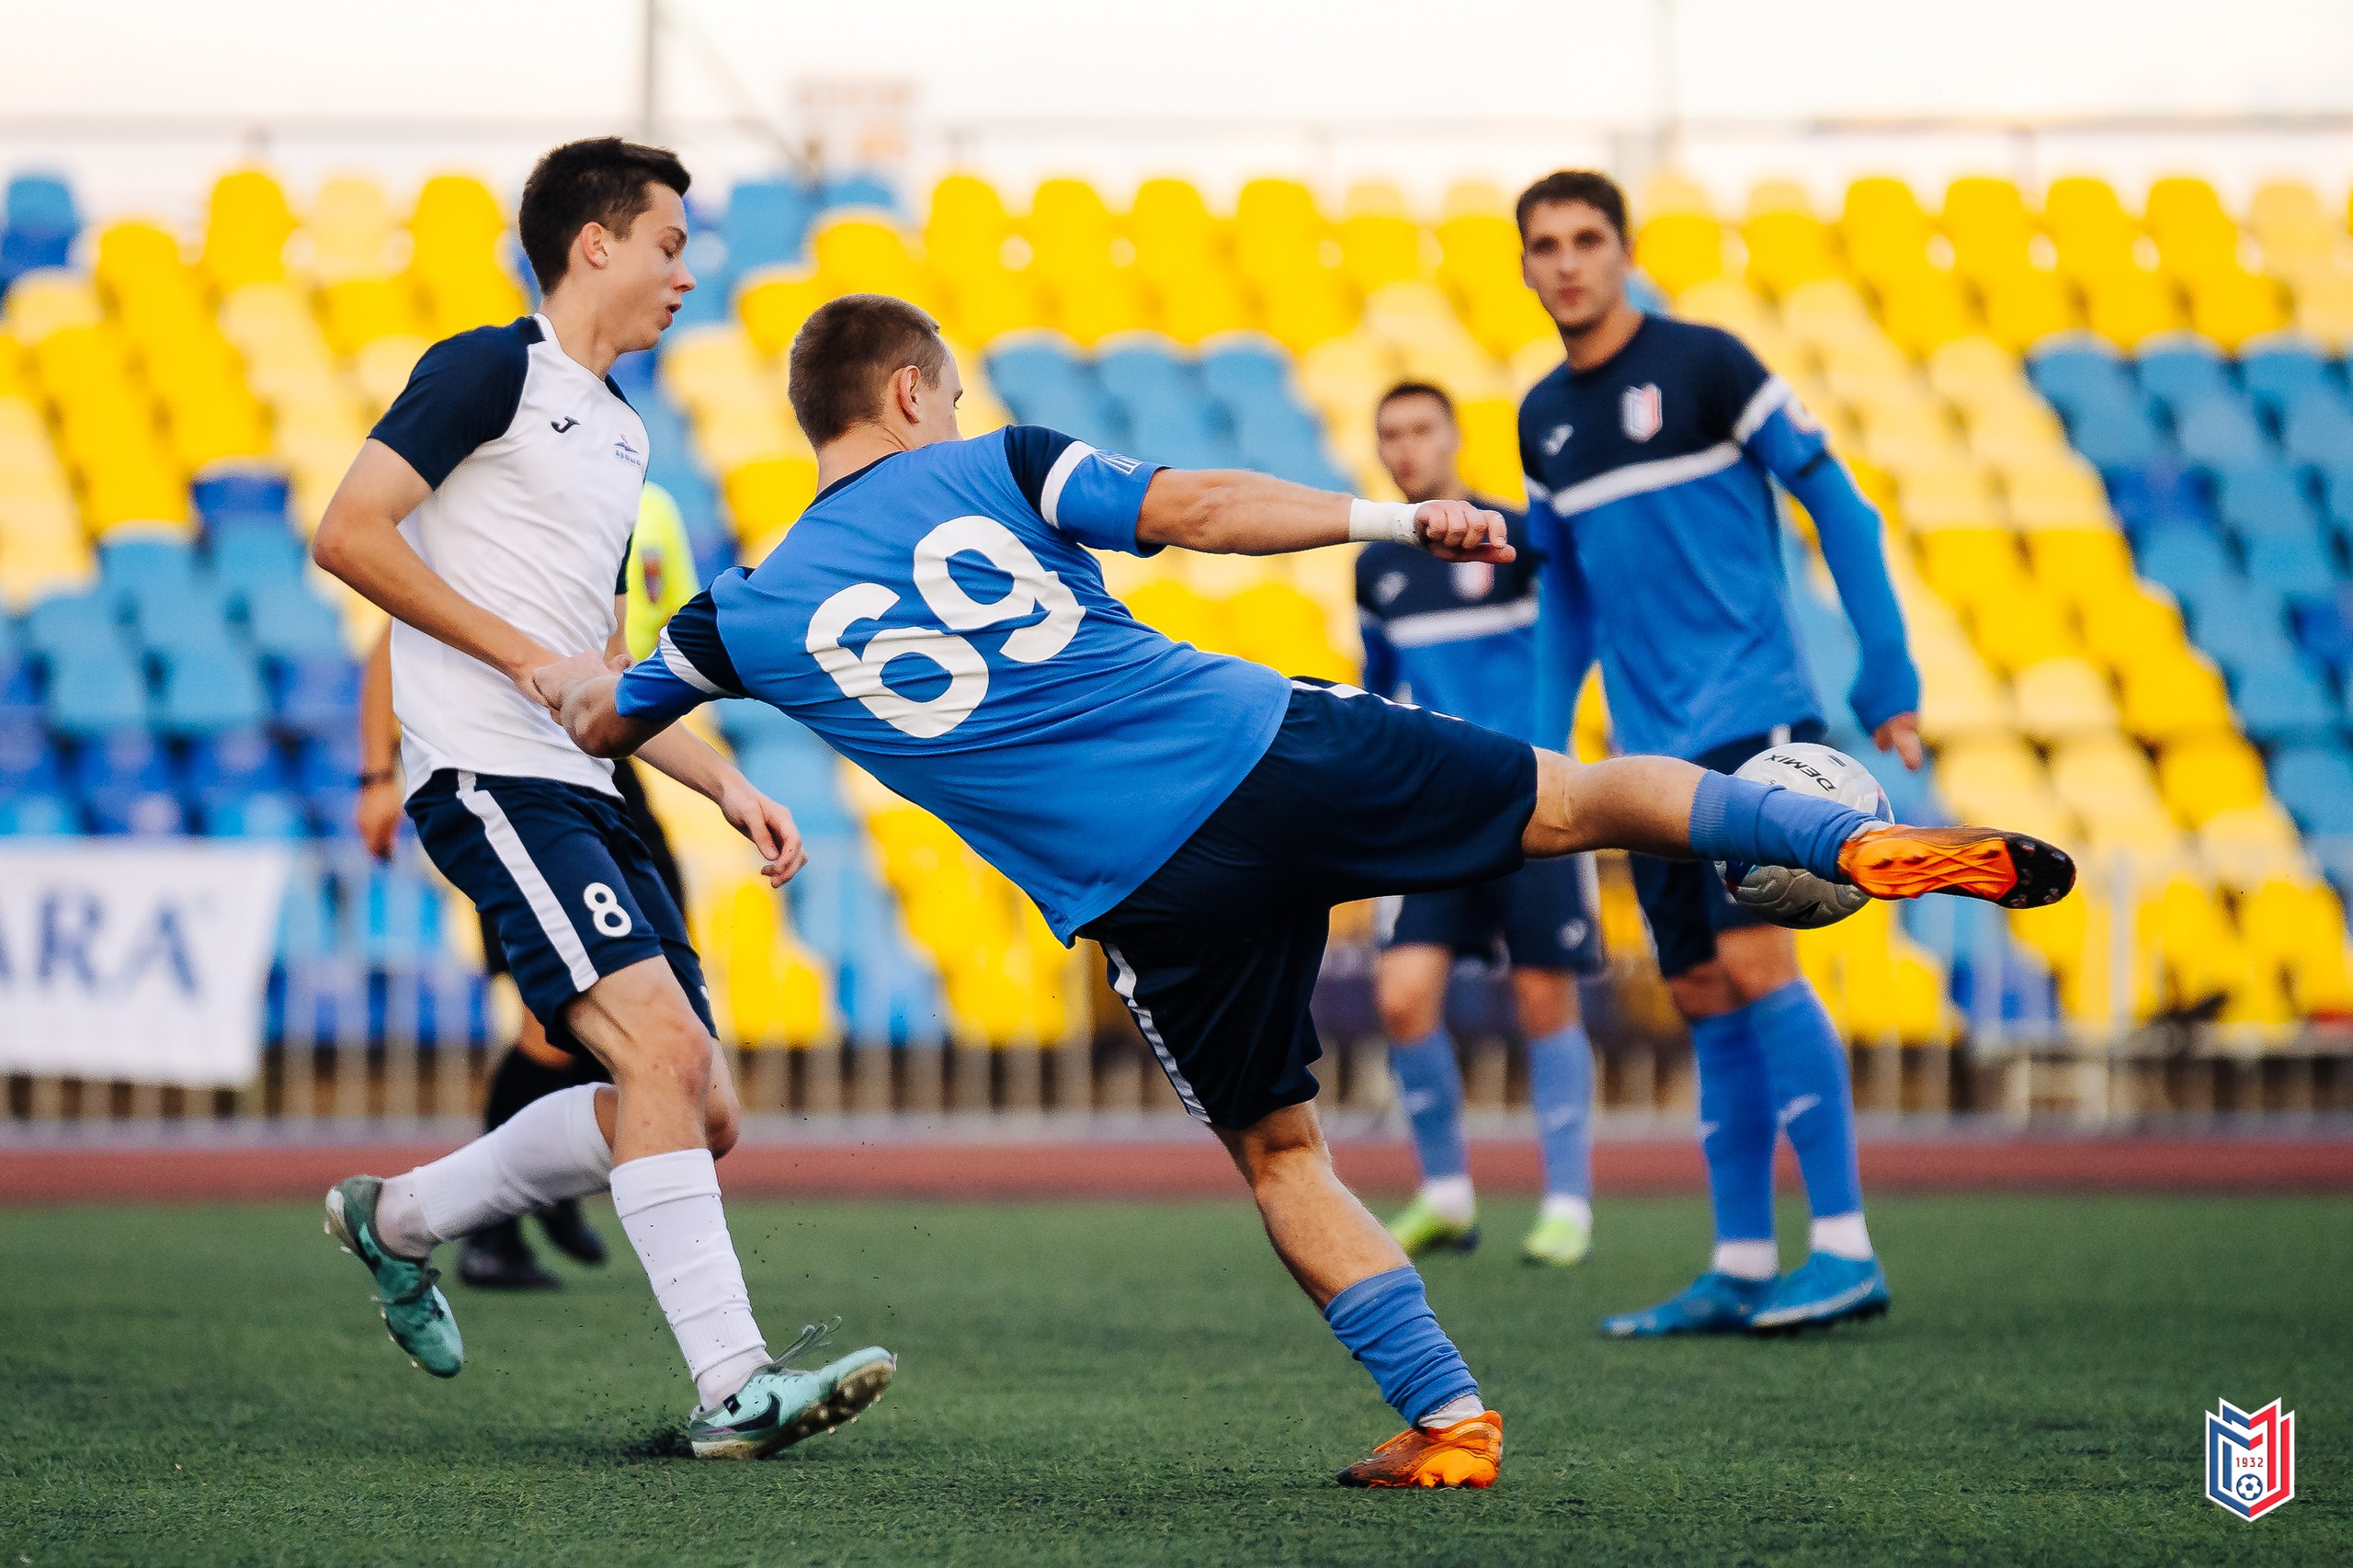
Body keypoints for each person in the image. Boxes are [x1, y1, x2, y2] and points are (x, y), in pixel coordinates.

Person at [530, 293, 2072, 1486]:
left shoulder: (740, 610)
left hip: (1147, 893)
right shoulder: (990, 464)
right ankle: (1842, 844)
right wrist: (1400, 516)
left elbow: (602, 719)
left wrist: (547, 648)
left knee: (1281, 1155)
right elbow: (1196, 512)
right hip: (1267, 745)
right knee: (1580, 802)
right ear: (913, 391)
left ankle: (1451, 1418)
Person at [312, 137, 894, 1462]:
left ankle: (397, 1219)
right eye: (672, 244)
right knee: (664, 1060)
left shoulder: (626, 431)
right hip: (489, 770)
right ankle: (736, 1381)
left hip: (589, 780)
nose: (688, 272)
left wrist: (724, 777)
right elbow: (348, 533)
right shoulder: (487, 368)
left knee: (701, 1106)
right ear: (596, 244)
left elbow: (605, 664)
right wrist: (512, 657)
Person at [1513, 169, 1933, 1337]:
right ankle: (1743, 1259)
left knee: (1757, 970)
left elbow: (1835, 501)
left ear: (1622, 248)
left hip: (1759, 725)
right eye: (1544, 244)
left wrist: (1885, 672)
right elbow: (1567, 602)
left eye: (1587, 238)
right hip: (1648, 763)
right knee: (1700, 991)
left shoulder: (1709, 362)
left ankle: (1843, 1245)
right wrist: (1549, 749)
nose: (1566, 262)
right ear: (1525, 265)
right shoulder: (1541, 415)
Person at [352, 482, 700, 1290]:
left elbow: (656, 647)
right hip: (519, 769)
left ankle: (547, 1185)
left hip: (617, 760)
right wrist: (377, 772)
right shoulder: (513, 493)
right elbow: (393, 640)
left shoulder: (651, 506)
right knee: (557, 1026)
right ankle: (492, 1230)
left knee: (661, 1014)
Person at [1355, 381, 1604, 1267]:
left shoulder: (1517, 538)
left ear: (1455, 438)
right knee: (1401, 996)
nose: (1406, 447)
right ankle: (1447, 1196)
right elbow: (1380, 687)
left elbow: (1582, 629)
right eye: (1391, 434)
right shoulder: (1376, 564)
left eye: (1421, 429)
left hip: (1534, 799)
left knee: (1543, 997)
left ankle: (1568, 1201)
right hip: (1434, 811)